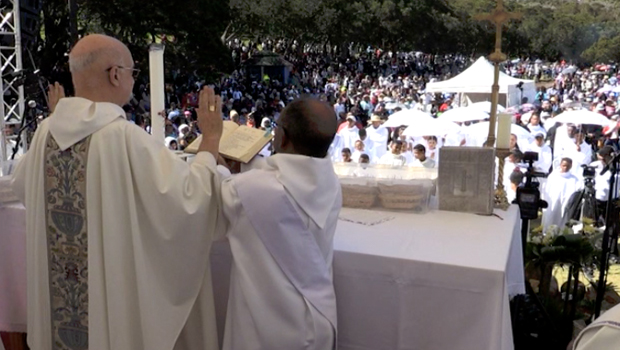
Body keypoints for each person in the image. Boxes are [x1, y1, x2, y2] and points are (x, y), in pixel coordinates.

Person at [11, 34, 226, 350]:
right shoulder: (123, 137)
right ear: (115, 74)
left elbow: (22, 185)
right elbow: (189, 201)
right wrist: (210, 140)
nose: (131, 80)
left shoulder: (46, 133)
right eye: (132, 73)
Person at [219, 97, 341, 350]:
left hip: (267, 330)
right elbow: (280, 174)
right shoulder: (331, 182)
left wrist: (211, 146)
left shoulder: (254, 189)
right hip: (319, 317)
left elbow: (211, 195)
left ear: (281, 136)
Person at [541, 158, 582, 230]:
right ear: (560, 165)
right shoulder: (553, 176)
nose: (565, 168)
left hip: (565, 205)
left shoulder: (574, 179)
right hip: (552, 204)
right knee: (550, 218)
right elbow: (546, 190)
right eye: (564, 165)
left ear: (571, 166)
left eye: (568, 166)